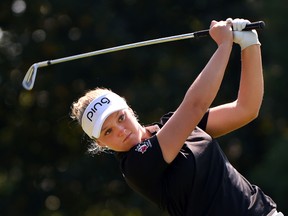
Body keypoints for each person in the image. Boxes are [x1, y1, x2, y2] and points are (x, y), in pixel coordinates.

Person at [70, 18, 283, 216]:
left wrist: (249, 44)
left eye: (120, 118)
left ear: (128, 107)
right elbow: (195, 105)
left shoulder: (171, 124)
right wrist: (224, 45)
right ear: (100, 143)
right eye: (108, 131)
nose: (121, 130)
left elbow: (246, 109)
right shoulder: (136, 165)